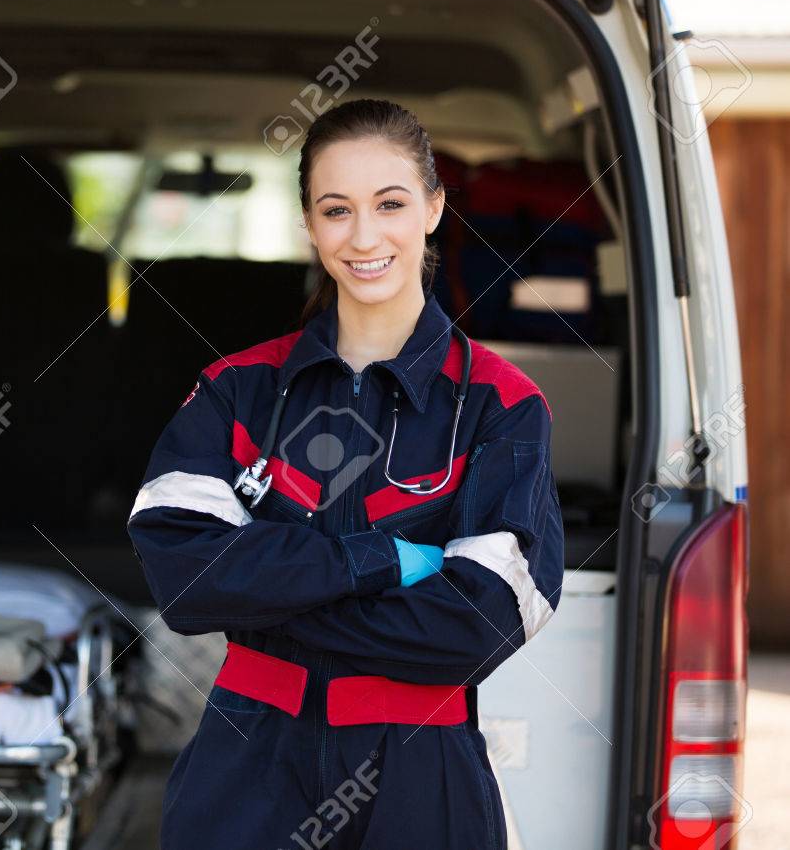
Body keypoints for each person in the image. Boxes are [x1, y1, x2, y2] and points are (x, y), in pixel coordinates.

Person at [126, 98, 564, 850]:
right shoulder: (235, 389)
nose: (364, 237)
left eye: (389, 204)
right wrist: (383, 562)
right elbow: (186, 579)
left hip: (422, 777)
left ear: (433, 207)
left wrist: (269, 595)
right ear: (308, 222)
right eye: (337, 210)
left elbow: (482, 621)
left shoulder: (503, 405)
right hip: (247, 769)